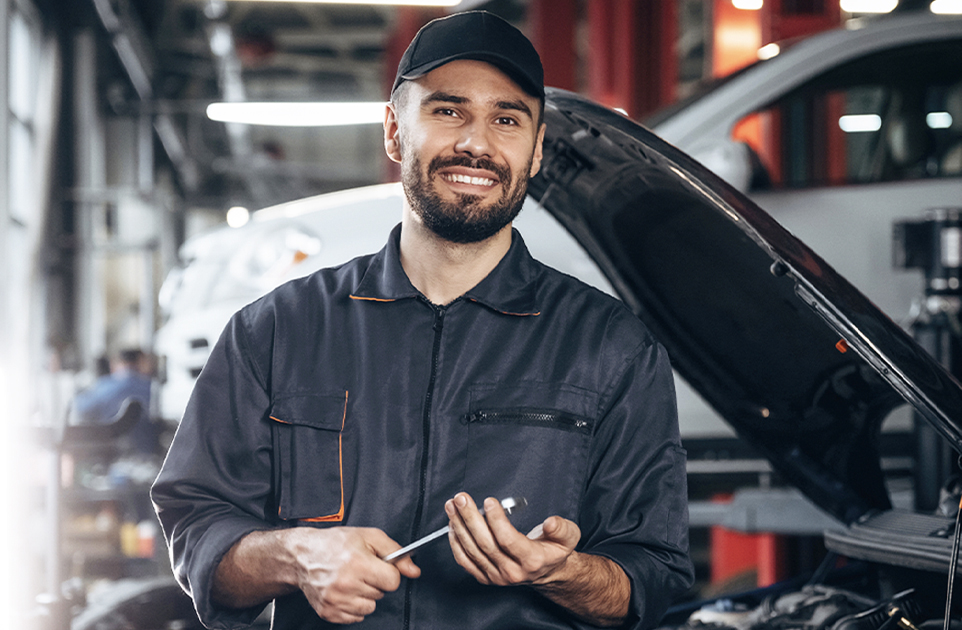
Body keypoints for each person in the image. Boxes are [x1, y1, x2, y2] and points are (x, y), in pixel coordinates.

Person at [152, 10, 693, 630]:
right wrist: (295, 554)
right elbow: (196, 527)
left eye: (507, 119)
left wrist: (562, 574)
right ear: (393, 130)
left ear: (537, 150)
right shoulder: (274, 331)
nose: (477, 143)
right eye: (448, 111)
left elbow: (651, 579)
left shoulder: (612, 346)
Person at [74, 348, 158, 456]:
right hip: (147, 456)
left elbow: (80, 410)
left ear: (116, 363)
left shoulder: (103, 386)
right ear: (141, 362)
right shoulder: (151, 388)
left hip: (107, 456)